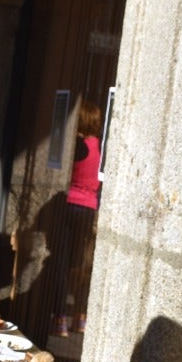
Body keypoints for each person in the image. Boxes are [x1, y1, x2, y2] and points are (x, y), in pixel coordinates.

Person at [57, 98, 103, 336]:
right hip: (89, 209)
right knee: (81, 267)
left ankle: (60, 319)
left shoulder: (78, 145)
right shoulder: (100, 148)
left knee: (63, 265)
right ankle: (81, 317)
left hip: (70, 205)